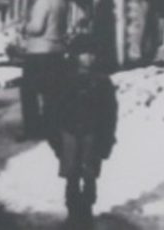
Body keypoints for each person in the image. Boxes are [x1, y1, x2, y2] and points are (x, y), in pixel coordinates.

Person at [45, 33, 118, 225]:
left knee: (90, 174)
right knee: (72, 175)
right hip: (69, 132)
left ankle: (87, 211)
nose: (89, 58)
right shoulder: (62, 79)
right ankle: (73, 212)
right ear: (75, 55)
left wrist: (107, 138)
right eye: (84, 53)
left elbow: (109, 112)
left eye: (92, 53)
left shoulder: (102, 82)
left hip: (92, 134)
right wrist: (54, 136)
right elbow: (52, 109)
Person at [20, 0, 86, 140]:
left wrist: (24, 27)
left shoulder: (43, 1)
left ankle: (32, 130)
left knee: (29, 93)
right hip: (57, 52)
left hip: (38, 53)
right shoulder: (62, 1)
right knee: (52, 93)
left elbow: (37, 28)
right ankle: (51, 128)